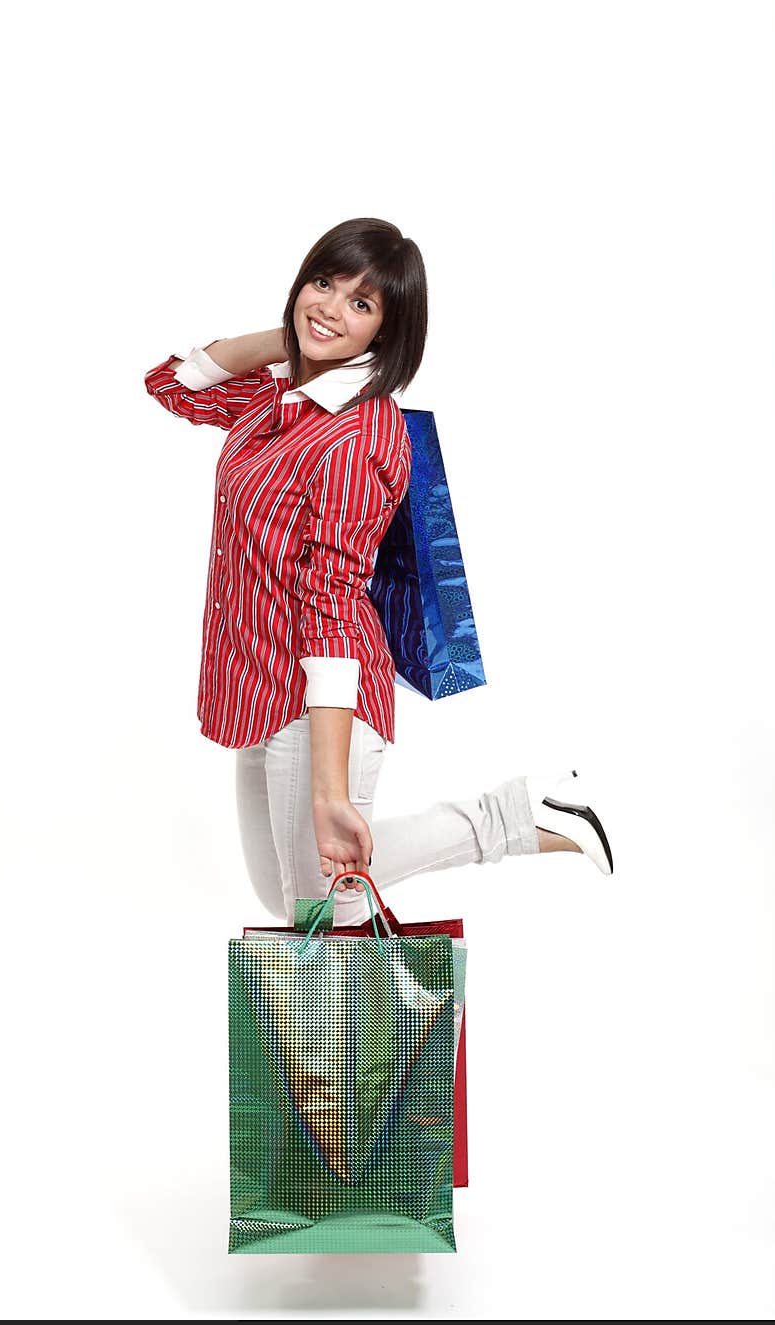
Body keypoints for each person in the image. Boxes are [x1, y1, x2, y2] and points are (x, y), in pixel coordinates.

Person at [144, 217, 613, 928]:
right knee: (290, 898)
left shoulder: (360, 435)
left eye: (361, 305)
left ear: (386, 335)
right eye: (325, 284)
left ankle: (513, 817)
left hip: (320, 694)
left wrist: (331, 792)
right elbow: (174, 385)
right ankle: (520, 814)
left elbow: (330, 604)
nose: (332, 306)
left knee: (318, 904)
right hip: (256, 682)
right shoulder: (277, 395)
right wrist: (301, 340)